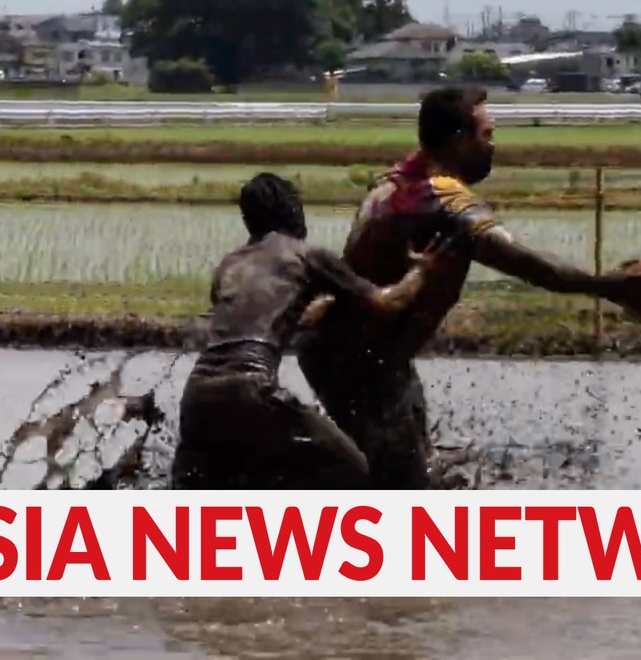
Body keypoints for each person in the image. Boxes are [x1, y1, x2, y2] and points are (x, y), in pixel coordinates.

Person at [294, 85, 641, 490]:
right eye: (487, 136)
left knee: (415, 461)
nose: (493, 146)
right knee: (401, 482)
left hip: (359, 351)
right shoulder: (441, 198)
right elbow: (529, 264)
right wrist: (615, 286)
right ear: (458, 139)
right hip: (358, 361)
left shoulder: (392, 183)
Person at [170, 173, 449, 490]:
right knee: (353, 468)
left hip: (197, 397)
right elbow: (388, 301)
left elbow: (264, 320)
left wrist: (322, 307)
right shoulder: (306, 255)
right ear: (293, 210)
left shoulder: (229, 266)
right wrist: (421, 270)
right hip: (252, 391)